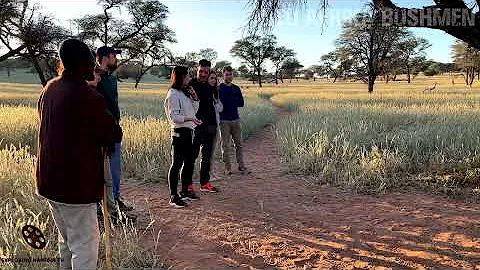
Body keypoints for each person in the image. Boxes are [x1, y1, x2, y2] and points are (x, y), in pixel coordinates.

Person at [36, 38, 122, 269]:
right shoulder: (88, 96)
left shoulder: (50, 88)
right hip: (75, 187)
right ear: (84, 64)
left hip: (48, 182)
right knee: (84, 246)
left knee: (67, 242)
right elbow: (113, 133)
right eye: (88, 63)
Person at [95, 46, 134, 213]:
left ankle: (115, 199)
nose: (116, 59)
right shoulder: (94, 77)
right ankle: (106, 206)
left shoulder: (108, 77)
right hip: (103, 130)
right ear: (106, 57)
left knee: (115, 168)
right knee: (106, 170)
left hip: (114, 129)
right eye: (114, 56)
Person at [164, 66, 202, 207]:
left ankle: (185, 191)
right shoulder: (173, 94)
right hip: (179, 133)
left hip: (188, 132)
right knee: (177, 164)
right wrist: (189, 119)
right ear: (180, 77)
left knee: (189, 163)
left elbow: (192, 111)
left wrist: (195, 97)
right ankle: (173, 196)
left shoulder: (183, 92)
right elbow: (174, 117)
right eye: (186, 76)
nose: (188, 79)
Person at [189, 59, 219, 193]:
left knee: (207, 157)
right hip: (196, 127)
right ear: (197, 69)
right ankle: (188, 184)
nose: (202, 74)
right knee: (191, 156)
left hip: (211, 126)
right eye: (200, 71)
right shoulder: (191, 84)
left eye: (205, 72)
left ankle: (205, 183)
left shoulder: (209, 86)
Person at [219, 66, 250, 175]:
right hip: (224, 121)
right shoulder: (219, 88)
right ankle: (227, 168)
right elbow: (219, 104)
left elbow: (241, 103)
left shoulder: (236, 88)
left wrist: (229, 100)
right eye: (227, 74)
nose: (229, 76)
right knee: (226, 146)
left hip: (236, 120)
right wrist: (233, 99)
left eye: (230, 74)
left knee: (239, 144)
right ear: (223, 75)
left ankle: (241, 166)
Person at [207, 71, 223, 181]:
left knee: (212, 151)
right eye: (211, 78)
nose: (213, 80)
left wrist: (216, 100)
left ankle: (211, 173)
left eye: (215, 78)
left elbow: (220, 108)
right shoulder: (206, 92)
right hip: (208, 126)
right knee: (207, 153)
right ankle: (207, 175)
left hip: (215, 125)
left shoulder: (215, 93)